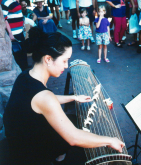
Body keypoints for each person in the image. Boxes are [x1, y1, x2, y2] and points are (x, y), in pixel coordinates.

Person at [3, 27, 125, 165]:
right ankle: (59, 159)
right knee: (77, 139)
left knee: (71, 120)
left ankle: (60, 155)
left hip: (21, 140)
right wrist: (110, 140)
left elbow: (39, 101)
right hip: (29, 156)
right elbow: (73, 137)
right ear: (48, 59)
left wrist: (73, 98)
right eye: (64, 60)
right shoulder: (44, 97)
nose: (66, 66)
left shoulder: (25, 76)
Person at [0, 0, 28, 71]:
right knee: (19, 57)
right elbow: (5, 19)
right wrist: (11, 34)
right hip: (14, 34)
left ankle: (25, 72)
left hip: (19, 31)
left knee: (23, 54)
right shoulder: (3, 0)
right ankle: (23, 76)